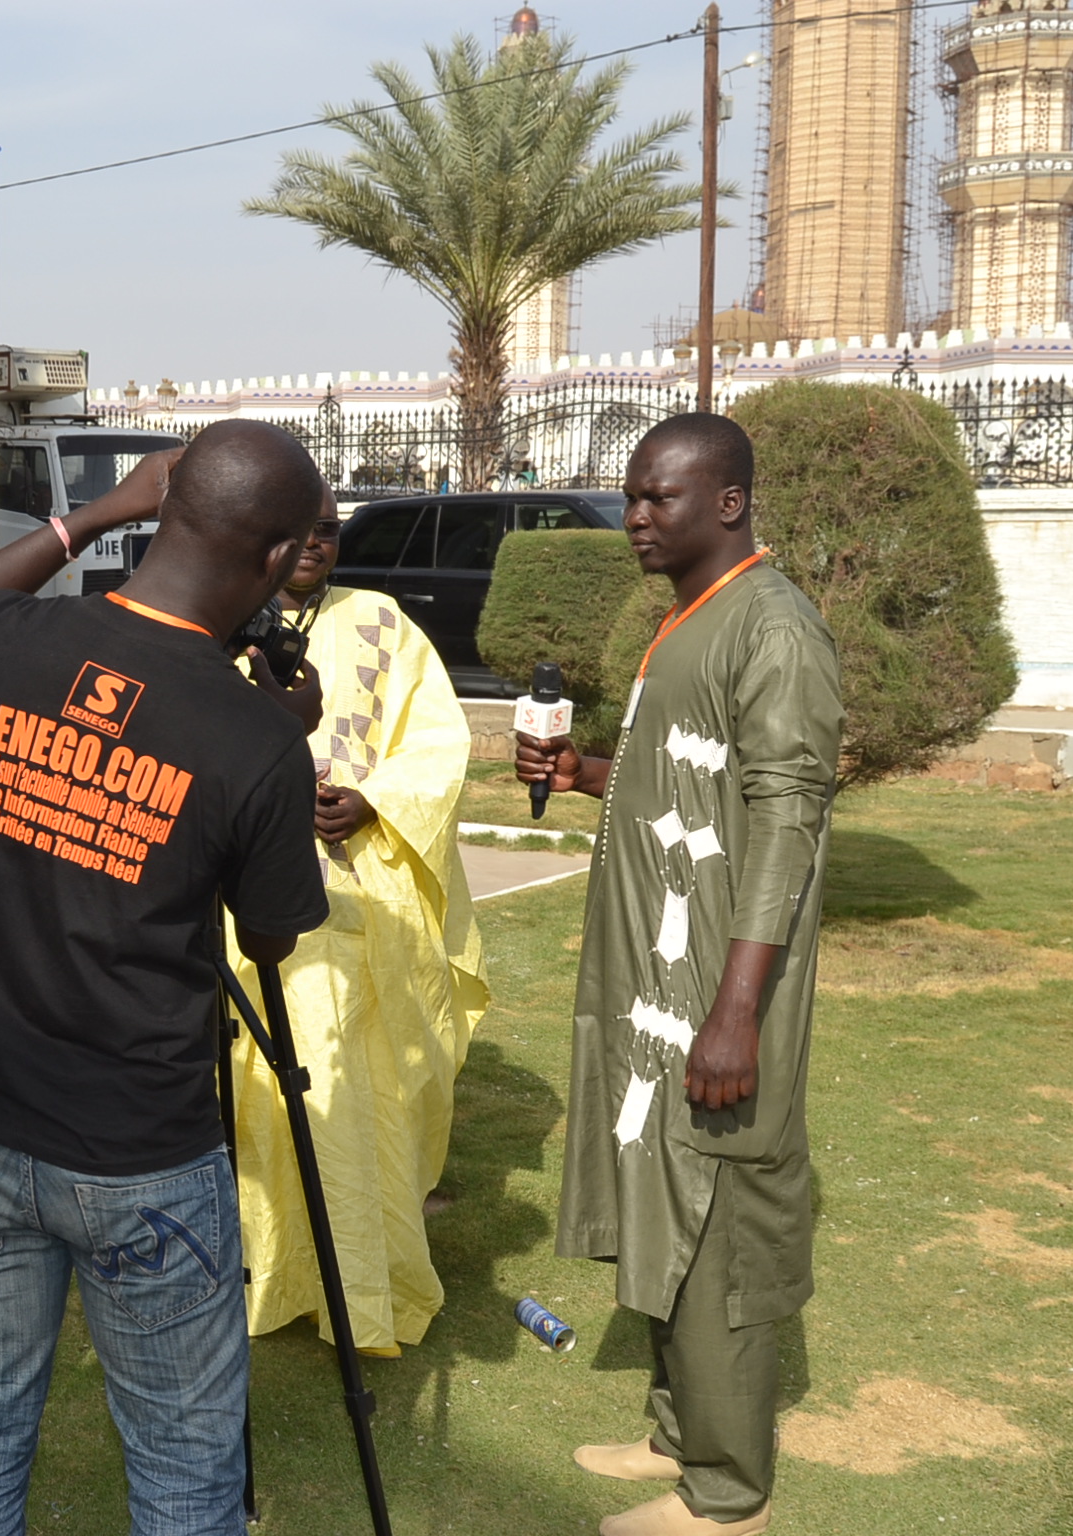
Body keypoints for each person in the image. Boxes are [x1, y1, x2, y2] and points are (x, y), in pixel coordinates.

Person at [0, 419, 331, 1536]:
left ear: (164, 507)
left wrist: (90, 516)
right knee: (187, 1470)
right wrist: (281, 743)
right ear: (282, 558)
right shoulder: (254, 737)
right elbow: (275, 936)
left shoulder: (4, 641)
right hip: (143, 1154)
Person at [516, 414, 842, 1536]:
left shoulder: (775, 628)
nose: (635, 517)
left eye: (658, 497)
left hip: (716, 991)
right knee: (662, 1195)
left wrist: (737, 1013)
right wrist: (585, 766)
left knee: (720, 1224)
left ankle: (727, 1496)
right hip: (660, 984)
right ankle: (679, 1431)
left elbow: (788, 822)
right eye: (632, 496)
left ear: (730, 503)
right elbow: (689, 777)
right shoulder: (685, 624)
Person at [225, 487, 489, 1356]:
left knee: (377, 1086)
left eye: (329, 533)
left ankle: (368, 1281)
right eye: (295, 532)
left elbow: (439, 741)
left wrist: (371, 801)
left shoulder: (382, 623)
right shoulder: (222, 623)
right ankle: (272, 1273)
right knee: (271, 1086)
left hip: (371, 904)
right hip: (259, 909)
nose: (313, 546)